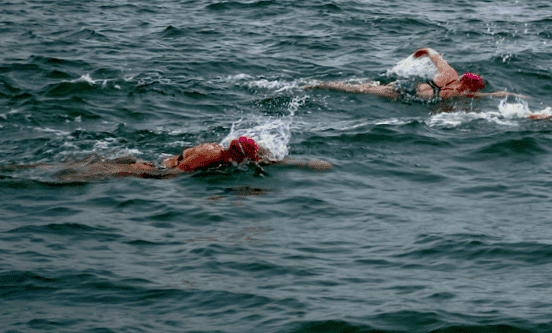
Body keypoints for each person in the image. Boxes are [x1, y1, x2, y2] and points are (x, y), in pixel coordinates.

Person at [6, 136, 331, 182]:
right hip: (156, 172)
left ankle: (36, 167)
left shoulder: (216, 148)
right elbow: (174, 173)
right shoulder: (207, 161)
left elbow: (176, 156)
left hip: (165, 160)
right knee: (107, 172)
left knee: (110, 163)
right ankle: (44, 172)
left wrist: (306, 163)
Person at [305, 48, 517, 101]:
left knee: (364, 87)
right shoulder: (458, 92)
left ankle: (321, 84)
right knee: (363, 90)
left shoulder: (449, 74)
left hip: (407, 86)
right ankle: (320, 85)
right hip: (403, 93)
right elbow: (489, 96)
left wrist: (423, 51)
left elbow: (434, 53)